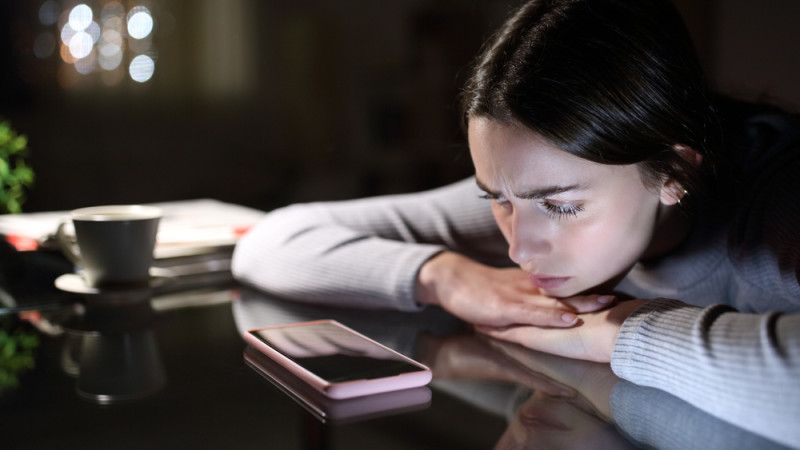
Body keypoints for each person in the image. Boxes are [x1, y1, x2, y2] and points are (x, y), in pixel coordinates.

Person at [232, 0, 800, 445]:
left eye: (559, 206)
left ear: (673, 172)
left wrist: (617, 332)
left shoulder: (778, 214)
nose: (521, 249)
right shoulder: (532, 178)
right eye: (495, 200)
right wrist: (448, 276)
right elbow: (271, 242)